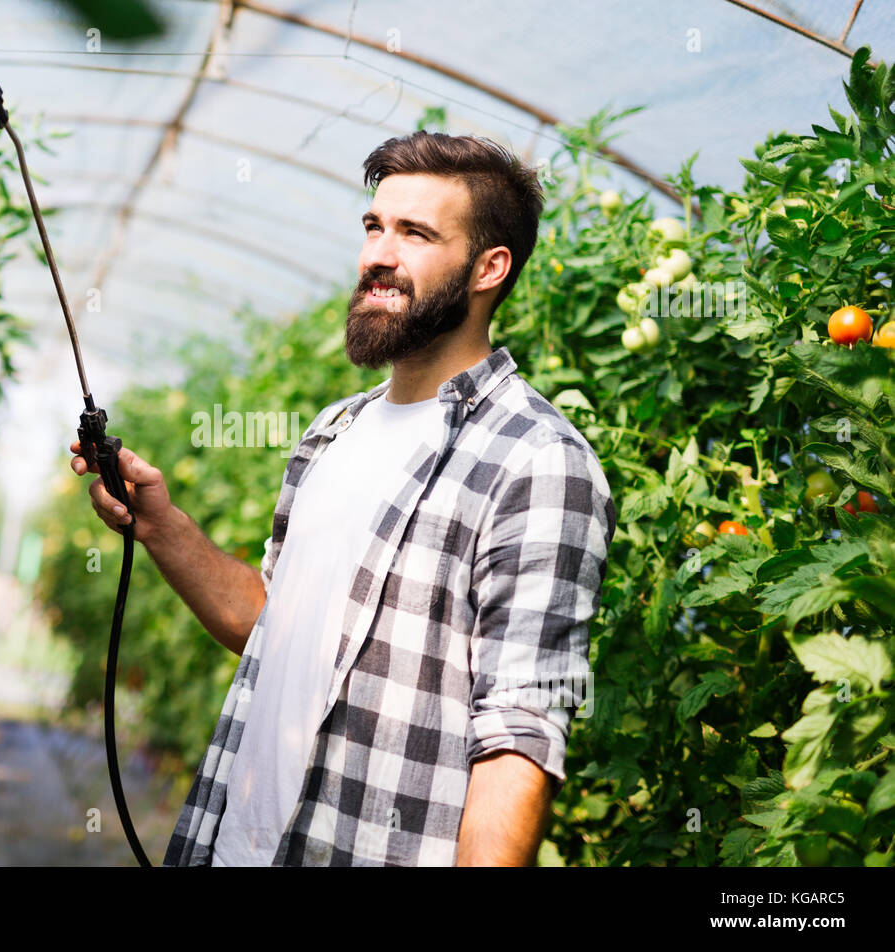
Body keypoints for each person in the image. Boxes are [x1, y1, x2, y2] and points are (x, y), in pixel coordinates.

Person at [68, 130, 616, 867]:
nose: (378, 255)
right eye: (373, 226)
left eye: (415, 233)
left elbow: (521, 731)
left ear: (490, 268)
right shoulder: (334, 433)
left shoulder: (539, 462)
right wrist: (161, 526)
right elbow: (269, 622)